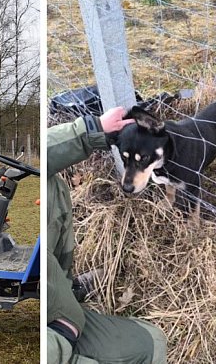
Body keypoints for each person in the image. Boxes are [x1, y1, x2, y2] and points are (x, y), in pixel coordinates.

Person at [48, 108, 168, 363]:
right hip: (56, 341)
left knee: (48, 190)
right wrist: (61, 333)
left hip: (55, 306)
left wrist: (90, 129)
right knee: (152, 344)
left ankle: (65, 288)